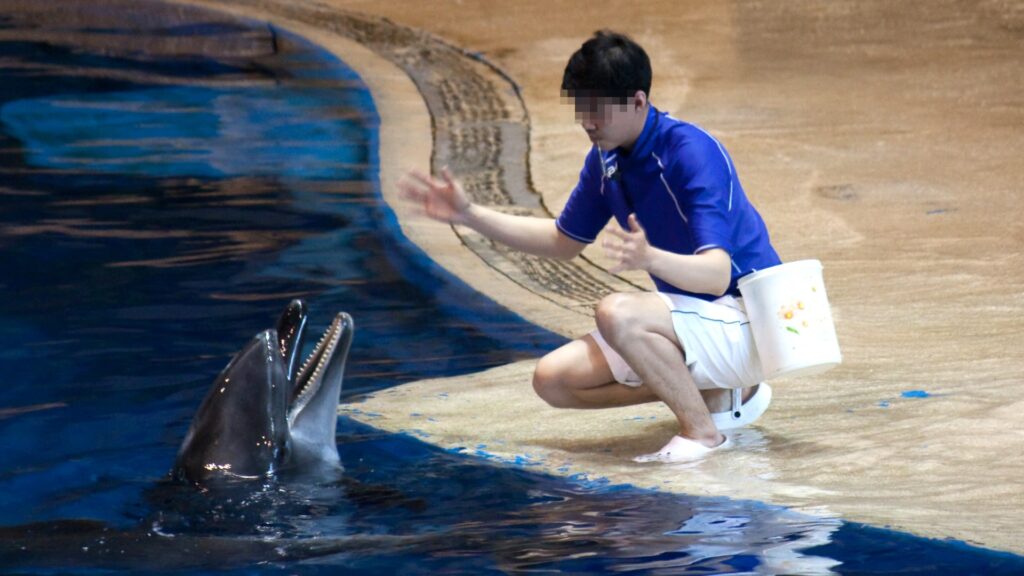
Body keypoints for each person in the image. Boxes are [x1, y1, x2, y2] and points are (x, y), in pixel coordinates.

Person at [399, 30, 781, 462]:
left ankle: (703, 432)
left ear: (638, 101)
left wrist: (649, 258)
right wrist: (469, 214)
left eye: (598, 110)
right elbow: (562, 242)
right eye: (582, 108)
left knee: (618, 311)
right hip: (696, 322)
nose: (587, 121)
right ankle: (706, 391)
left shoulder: (691, 152)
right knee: (554, 379)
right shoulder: (607, 158)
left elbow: (716, 276)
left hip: (750, 318)